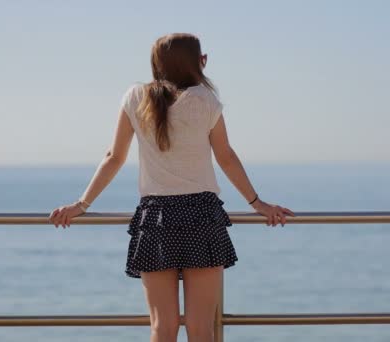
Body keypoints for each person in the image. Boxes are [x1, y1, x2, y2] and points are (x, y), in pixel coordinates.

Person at [48, 32, 295, 342]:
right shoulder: (206, 101)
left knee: (162, 327)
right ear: (199, 62)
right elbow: (226, 158)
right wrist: (258, 203)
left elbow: (113, 157)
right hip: (201, 217)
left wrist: (80, 205)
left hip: (156, 219)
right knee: (200, 328)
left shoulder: (135, 97)